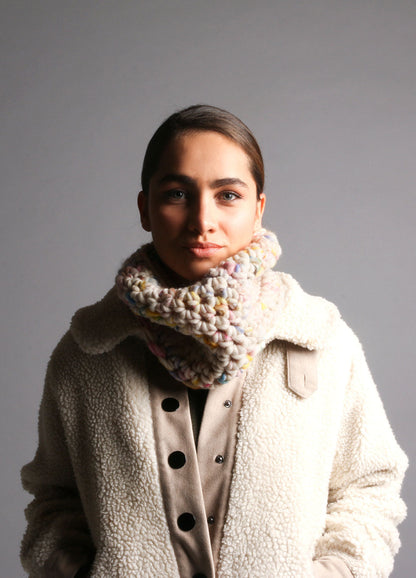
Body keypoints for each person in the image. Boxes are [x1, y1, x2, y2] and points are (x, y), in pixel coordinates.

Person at [21, 105, 407, 578]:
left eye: (228, 195)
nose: (202, 220)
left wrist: (335, 572)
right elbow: (54, 498)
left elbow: (370, 487)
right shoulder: (89, 349)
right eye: (177, 194)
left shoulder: (318, 339)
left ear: (258, 209)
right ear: (144, 209)